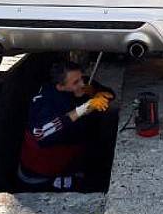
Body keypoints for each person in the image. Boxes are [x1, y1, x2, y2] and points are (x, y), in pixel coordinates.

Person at [17, 61, 118, 192]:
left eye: (81, 78)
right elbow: (40, 133)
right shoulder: (45, 102)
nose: (82, 83)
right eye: (76, 82)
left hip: (72, 160)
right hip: (41, 176)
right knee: (94, 188)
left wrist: (96, 92)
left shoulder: (81, 85)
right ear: (60, 86)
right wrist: (84, 108)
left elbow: (109, 94)